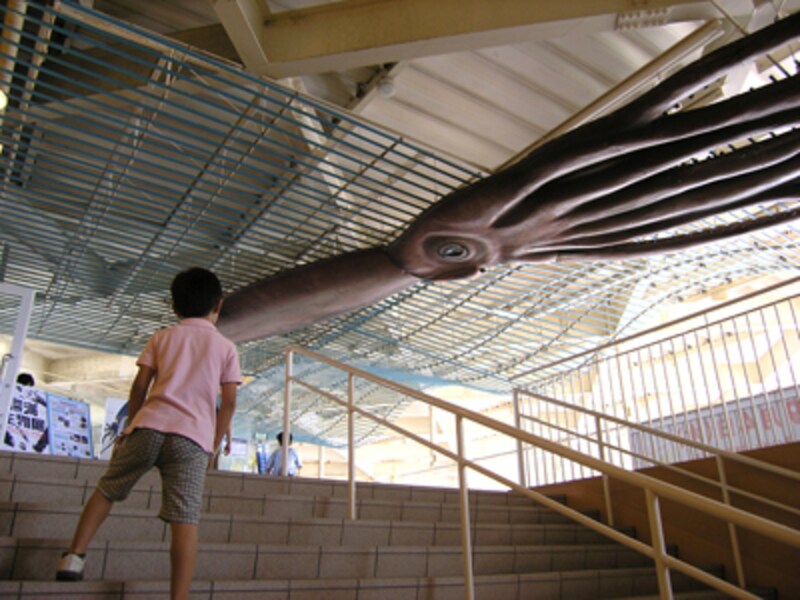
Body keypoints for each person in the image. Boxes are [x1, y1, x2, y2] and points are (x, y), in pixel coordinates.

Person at [55, 267, 242, 600]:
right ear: (218, 305)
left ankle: (74, 556)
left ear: (175, 307)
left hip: (149, 426)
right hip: (191, 439)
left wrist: (129, 426)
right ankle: (179, 595)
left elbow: (140, 385)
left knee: (109, 489)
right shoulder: (226, 348)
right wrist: (213, 442)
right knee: (184, 516)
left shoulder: (162, 337)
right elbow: (228, 402)